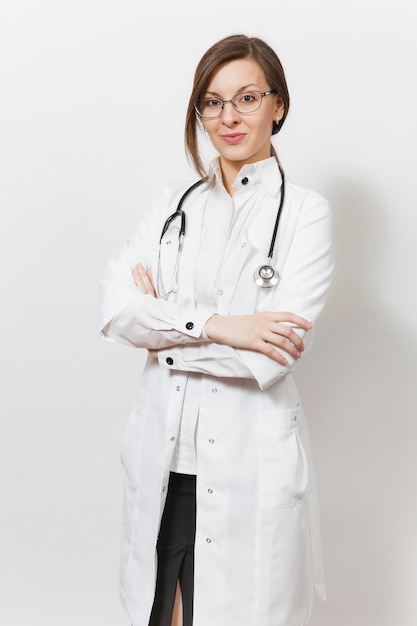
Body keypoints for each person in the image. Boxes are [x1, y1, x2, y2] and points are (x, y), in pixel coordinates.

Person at [98, 33, 334, 626]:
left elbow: (269, 358)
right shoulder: (172, 204)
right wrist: (223, 326)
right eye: (212, 102)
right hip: (168, 462)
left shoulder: (306, 214)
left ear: (277, 104)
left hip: (250, 466)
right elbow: (117, 309)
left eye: (247, 98)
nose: (228, 117)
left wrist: (164, 335)